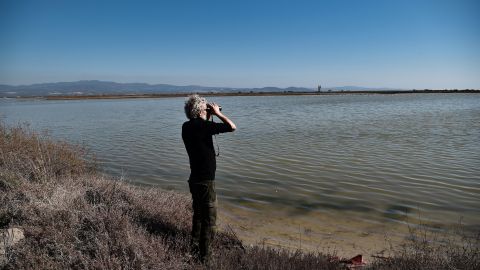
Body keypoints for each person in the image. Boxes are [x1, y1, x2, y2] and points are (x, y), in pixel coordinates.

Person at [182, 94, 236, 264]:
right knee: (209, 221)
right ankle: (206, 259)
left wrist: (209, 115)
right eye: (206, 106)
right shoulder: (203, 126)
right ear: (200, 110)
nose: (209, 108)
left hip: (194, 180)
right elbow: (232, 127)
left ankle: (193, 249)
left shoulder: (186, 126)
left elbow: (203, 128)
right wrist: (218, 114)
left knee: (198, 216)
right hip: (206, 182)